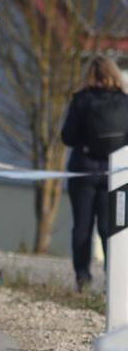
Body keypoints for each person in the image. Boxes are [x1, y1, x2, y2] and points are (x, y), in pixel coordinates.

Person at [60, 56, 128, 292]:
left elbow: (67, 137)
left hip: (84, 171)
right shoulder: (125, 101)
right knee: (110, 229)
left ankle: (83, 278)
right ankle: (115, 281)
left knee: (82, 227)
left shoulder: (81, 100)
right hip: (115, 172)